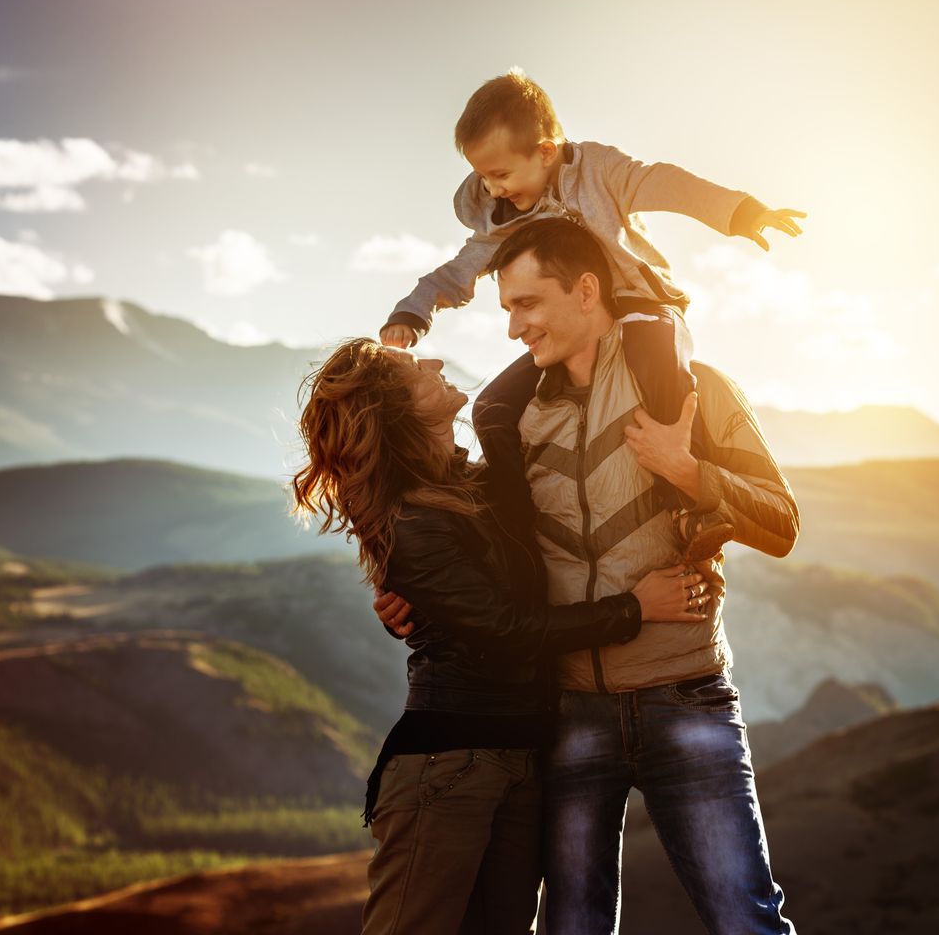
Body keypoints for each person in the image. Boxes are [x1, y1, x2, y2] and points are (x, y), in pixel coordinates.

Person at [378, 218, 800, 935]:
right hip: (571, 716)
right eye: (506, 307)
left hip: (687, 699)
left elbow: (781, 523)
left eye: (527, 303)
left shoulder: (694, 391)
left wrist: (687, 470)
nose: (513, 328)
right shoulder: (510, 420)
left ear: (585, 289)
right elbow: (477, 546)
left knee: (746, 921)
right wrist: (409, 599)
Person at [291, 337, 711, 935]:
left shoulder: (475, 485)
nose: (436, 362)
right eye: (416, 370)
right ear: (398, 410)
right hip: (450, 763)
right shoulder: (414, 518)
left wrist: (599, 308)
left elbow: (541, 356)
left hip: (524, 756)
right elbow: (506, 629)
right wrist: (633, 609)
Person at [378, 69, 804, 561]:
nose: (493, 191)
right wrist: (413, 311)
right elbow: (461, 268)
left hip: (642, 305)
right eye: (483, 178)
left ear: (544, 151)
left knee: (652, 351)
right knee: (492, 404)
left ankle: (684, 507)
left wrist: (739, 212)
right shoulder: (506, 221)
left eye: (501, 175)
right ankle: (513, 528)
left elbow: (660, 182)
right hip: (560, 617)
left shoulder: (599, 172)